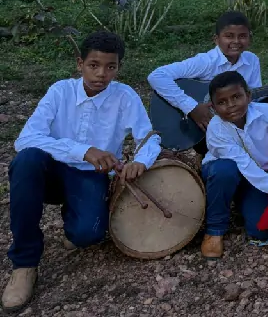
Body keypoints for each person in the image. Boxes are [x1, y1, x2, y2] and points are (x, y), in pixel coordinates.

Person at [4, 31, 161, 311]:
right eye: (93, 65)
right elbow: (25, 139)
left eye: (110, 67)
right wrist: (83, 150)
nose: (101, 74)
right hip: (49, 172)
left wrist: (142, 161)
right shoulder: (60, 91)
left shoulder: (125, 97)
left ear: (118, 68)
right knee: (26, 161)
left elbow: (148, 136)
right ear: (80, 64)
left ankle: (75, 219)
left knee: (88, 235)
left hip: (89, 175)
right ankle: (24, 264)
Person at [147, 11, 268, 153]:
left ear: (249, 38)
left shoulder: (251, 60)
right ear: (216, 39)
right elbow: (157, 76)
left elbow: (252, 97)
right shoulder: (205, 62)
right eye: (229, 36)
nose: (236, 41)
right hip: (207, 128)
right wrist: (192, 107)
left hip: (237, 116)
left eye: (242, 36)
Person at [199, 71, 268, 260]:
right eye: (222, 102)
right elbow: (242, 163)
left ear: (248, 96)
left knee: (261, 231)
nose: (231, 105)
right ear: (213, 107)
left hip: (257, 175)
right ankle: (215, 229)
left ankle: (241, 199)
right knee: (226, 170)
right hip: (222, 172)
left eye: (236, 97)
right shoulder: (216, 129)